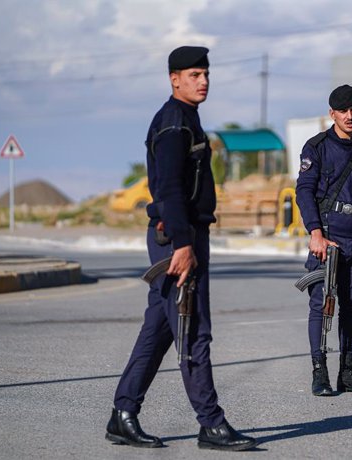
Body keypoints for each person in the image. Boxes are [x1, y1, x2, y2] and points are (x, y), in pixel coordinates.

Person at [105, 46, 257, 451]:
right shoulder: (174, 123)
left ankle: (123, 414)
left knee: (158, 331)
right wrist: (184, 244)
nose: (203, 81)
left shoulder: (187, 118)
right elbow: (168, 188)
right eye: (194, 74)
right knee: (193, 329)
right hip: (177, 239)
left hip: (183, 235)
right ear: (174, 79)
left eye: (206, 74)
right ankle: (211, 424)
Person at [295, 84, 352, 396]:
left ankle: (347, 373)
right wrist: (316, 233)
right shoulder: (316, 147)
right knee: (321, 305)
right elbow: (304, 191)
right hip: (329, 241)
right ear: (332, 113)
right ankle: (319, 372)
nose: (350, 116)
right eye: (344, 111)